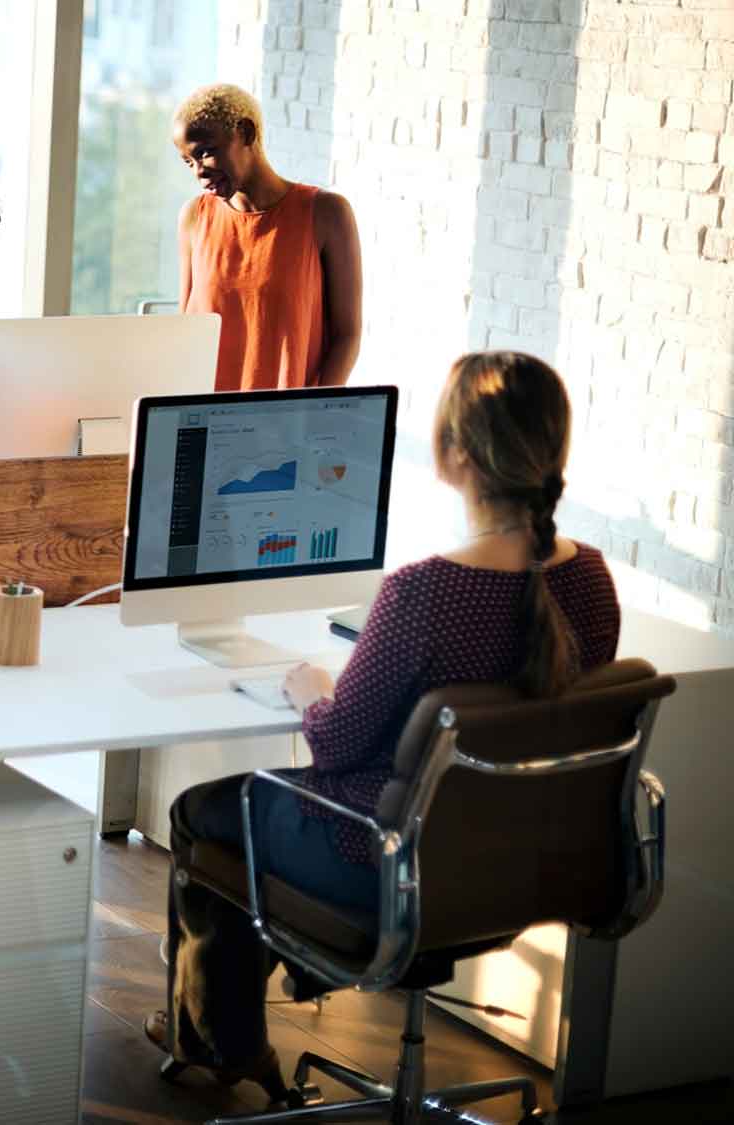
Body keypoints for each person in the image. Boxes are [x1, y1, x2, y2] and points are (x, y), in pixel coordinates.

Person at [145, 351, 619, 1103]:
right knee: (244, 808)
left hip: (378, 856)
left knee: (204, 811)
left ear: (455, 452)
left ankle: (217, 1040)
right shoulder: (589, 579)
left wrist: (313, 690)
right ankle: (219, 1030)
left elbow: (334, 743)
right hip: (517, 868)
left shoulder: (424, 592)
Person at [172, 83, 362, 392]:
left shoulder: (327, 213)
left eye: (205, 153)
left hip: (290, 423)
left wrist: (315, 411)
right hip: (207, 420)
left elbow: (347, 335)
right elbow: (187, 330)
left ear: (246, 133)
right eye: (188, 161)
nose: (198, 172)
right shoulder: (194, 217)